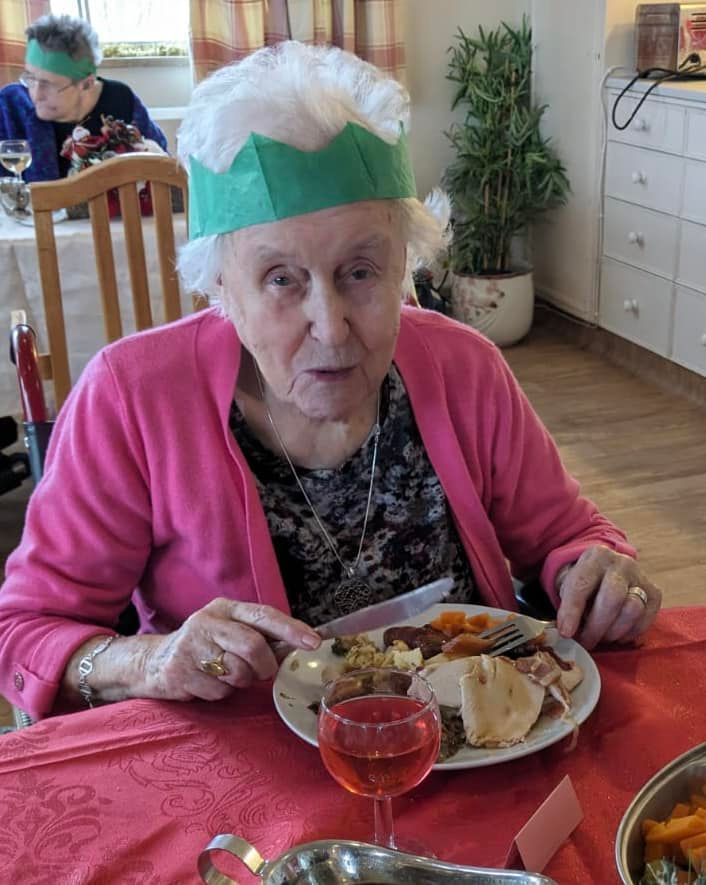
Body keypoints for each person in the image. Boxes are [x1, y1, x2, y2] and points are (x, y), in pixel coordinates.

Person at [0, 42, 661, 721]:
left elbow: (567, 536)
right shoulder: (131, 397)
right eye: (281, 279)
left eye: (361, 271)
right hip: (245, 780)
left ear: (404, 261)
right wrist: (150, 659)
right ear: (220, 286)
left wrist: (600, 573)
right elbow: (28, 630)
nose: (332, 327)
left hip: (474, 749)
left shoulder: (465, 367)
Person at [0, 13, 167, 182]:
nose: (36, 95)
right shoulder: (11, 106)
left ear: (86, 84)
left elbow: (163, 164)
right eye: (30, 78)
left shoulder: (120, 99)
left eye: (49, 85)